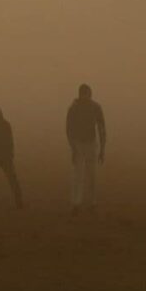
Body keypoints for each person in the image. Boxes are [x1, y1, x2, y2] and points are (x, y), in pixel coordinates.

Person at [66, 83, 106, 215]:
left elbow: (101, 128)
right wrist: (73, 147)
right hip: (78, 144)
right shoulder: (74, 109)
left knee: (91, 174)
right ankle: (76, 203)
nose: (86, 97)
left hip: (91, 143)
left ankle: (92, 202)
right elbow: (69, 130)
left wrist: (102, 149)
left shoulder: (95, 107)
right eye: (84, 94)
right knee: (78, 175)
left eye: (87, 95)